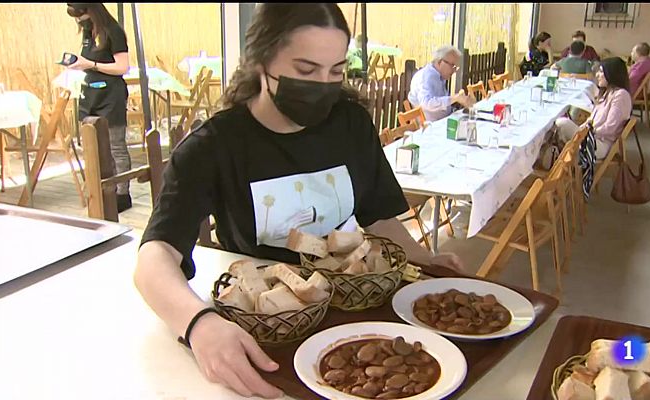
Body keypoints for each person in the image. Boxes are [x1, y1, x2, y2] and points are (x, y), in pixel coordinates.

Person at [134, 4, 465, 398]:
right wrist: (199, 324)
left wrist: (421, 257)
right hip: (267, 330)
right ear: (260, 63)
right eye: (307, 71)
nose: (324, 85)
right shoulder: (215, 146)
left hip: (354, 313)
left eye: (337, 71)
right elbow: (154, 259)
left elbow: (378, 217)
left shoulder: (351, 124)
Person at [65, 3, 132, 212]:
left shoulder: (113, 32)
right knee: (93, 146)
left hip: (110, 95)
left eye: (81, 15)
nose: (79, 20)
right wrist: (78, 63)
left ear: (91, 10)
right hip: (90, 94)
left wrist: (91, 65)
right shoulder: (88, 32)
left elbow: (122, 67)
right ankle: (100, 189)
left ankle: (122, 193)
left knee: (115, 145)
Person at [555, 57, 632, 160]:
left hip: (600, 143)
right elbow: (591, 119)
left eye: (601, 71)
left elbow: (610, 127)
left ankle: (553, 156)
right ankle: (553, 155)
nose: (597, 75)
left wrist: (587, 132)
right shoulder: (606, 92)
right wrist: (583, 128)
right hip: (592, 135)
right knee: (558, 125)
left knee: (561, 123)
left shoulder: (621, 95)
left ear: (612, 74)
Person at [407, 45, 473, 122]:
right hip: (431, 127)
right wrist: (455, 98)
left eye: (455, 67)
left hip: (443, 120)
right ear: (439, 62)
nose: (454, 71)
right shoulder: (427, 77)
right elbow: (426, 103)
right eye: (452, 65)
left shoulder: (438, 76)